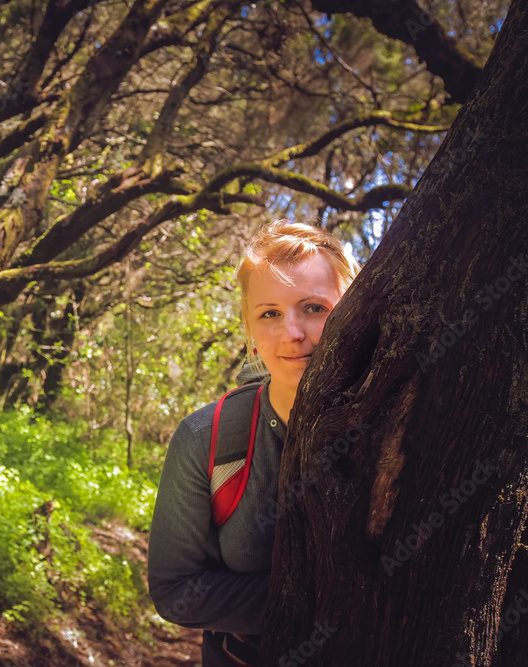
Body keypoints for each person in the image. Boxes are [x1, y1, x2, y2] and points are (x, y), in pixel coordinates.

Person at [147, 219, 361, 666]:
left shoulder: (405, 421)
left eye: (314, 308)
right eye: (269, 313)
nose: (293, 333)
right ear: (247, 325)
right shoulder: (205, 439)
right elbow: (174, 590)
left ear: (354, 308)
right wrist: (324, 597)